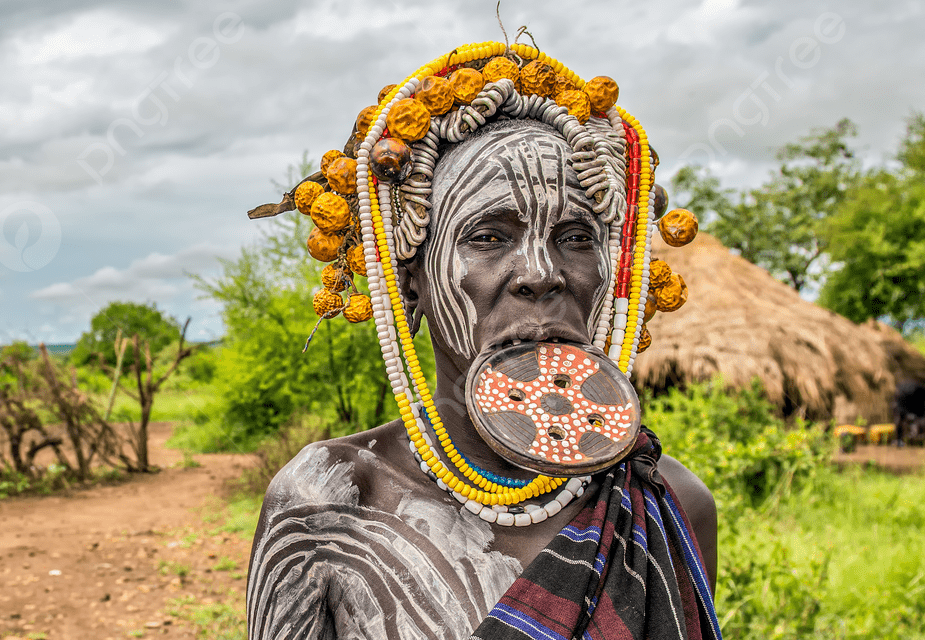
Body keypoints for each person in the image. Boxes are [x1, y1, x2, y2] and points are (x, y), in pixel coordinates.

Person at [245, 40, 720, 640]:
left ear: (613, 273)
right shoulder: (326, 504)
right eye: (490, 237)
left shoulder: (673, 505)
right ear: (408, 280)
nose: (541, 272)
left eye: (576, 237)